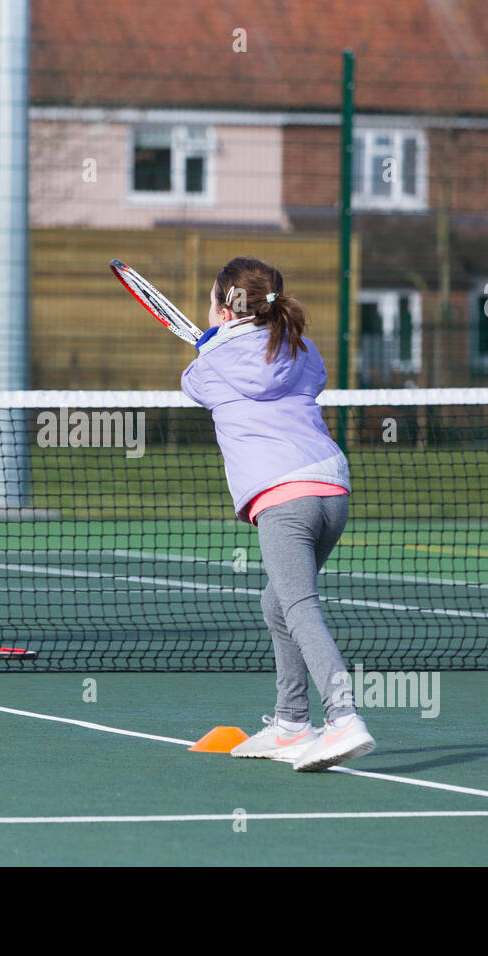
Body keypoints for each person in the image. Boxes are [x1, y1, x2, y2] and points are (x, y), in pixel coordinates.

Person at [181, 257, 374, 771]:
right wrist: (223, 339)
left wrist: (215, 344)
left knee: (299, 606)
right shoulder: (303, 350)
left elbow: (193, 386)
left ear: (223, 307)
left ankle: (344, 717)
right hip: (332, 490)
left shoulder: (211, 365)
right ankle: (291, 724)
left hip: (285, 497)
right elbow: (303, 372)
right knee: (278, 602)